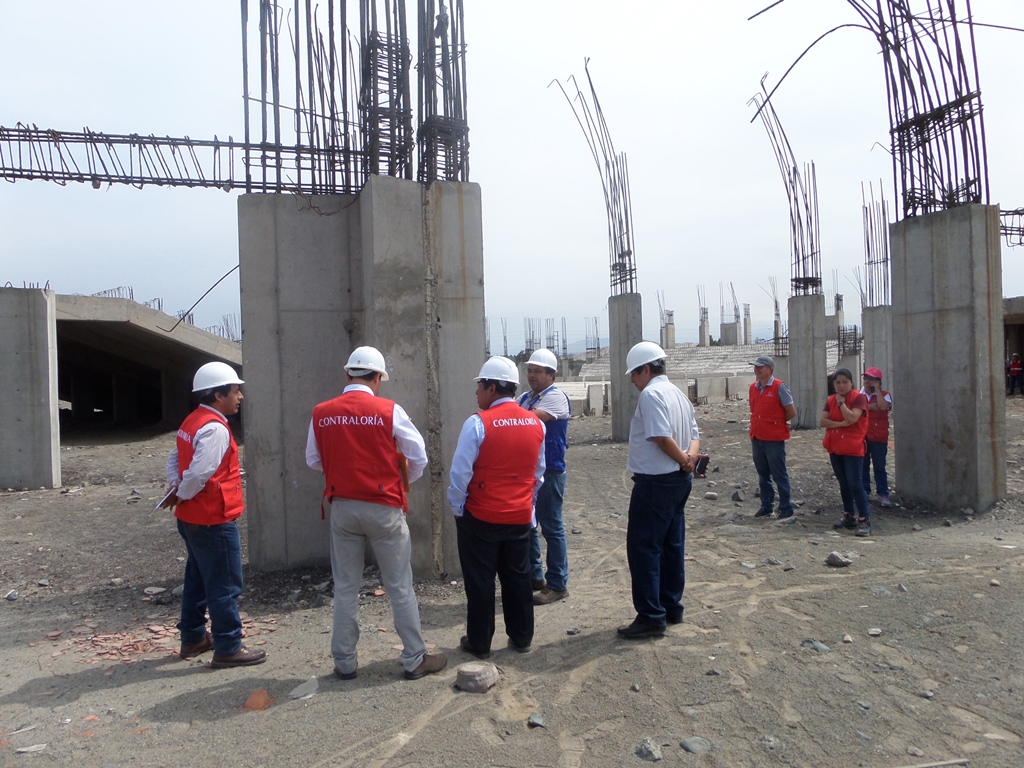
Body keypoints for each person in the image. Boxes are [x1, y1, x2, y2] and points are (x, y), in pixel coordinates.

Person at [305, 346, 447, 681]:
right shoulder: (388, 410)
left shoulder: (322, 412)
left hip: (342, 507)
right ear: (377, 378)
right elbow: (419, 457)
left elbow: (313, 459)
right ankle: (414, 658)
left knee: (345, 587)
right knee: (399, 585)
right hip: (384, 507)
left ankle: (344, 662)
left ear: (347, 374)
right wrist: (398, 482)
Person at [160, 361, 266, 668]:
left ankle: (193, 637)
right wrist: (183, 490)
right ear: (218, 395)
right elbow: (200, 472)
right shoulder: (216, 428)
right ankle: (228, 646)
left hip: (192, 517)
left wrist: (177, 490)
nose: (240, 397)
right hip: (213, 518)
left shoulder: (193, 421)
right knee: (224, 584)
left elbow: (175, 458)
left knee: (197, 579)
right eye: (235, 391)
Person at [448, 356, 545, 658]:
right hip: (519, 517)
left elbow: (460, 473)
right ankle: (522, 636)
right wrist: (527, 505)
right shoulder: (535, 423)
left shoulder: (478, 423)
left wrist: (458, 508)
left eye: (480, 386)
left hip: (481, 515)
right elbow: (538, 474)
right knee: (517, 577)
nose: (477, 392)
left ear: (491, 387)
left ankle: (480, 642)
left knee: (480, 581)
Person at [619, 342, 701, 639]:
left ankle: (651, 616)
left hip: (656, 481)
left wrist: (684, 462)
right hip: (677, 482)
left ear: (646, 369)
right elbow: (694, 434)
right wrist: (689, 459)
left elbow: (661, 438)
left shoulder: (652, 395)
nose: (632, 379)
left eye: (634, 373)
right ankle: (670, 607)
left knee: (644, 548)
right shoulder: (677, 393)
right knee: (671, 545)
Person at [518, 348, 572, 605]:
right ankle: (535, 577)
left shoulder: (556, 398)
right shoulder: (526, 397)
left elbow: (525, 421)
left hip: (550, 471)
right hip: (530, 471)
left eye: (538, 371)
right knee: (529, 526)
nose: (532, 375)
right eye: (530, 370)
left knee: (551, 527)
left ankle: (558, 583)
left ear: (551, 375)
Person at [820, 368, 871, 536]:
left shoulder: (859, 398)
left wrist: (842, 404)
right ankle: (849, 515)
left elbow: (852, 418)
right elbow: (823, 421)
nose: (841, 386)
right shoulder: (830, 400)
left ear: (851, 383)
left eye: (845, 382)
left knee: (855, 484)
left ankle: (864, 519)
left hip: (853, 448)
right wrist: (839, 424)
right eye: (837, 382)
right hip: (835, 447)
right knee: (844, 484)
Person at [748, 355, 797, 520]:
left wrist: (776, 424)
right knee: (763, 475)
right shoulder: (753, 388)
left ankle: (785, 507)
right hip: (757, 437)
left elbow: (790, 411)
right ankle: (766, 505)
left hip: (774, 439)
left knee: (779, 474)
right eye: (755, 367)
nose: (757, 370)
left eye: (760, 367)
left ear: (770, 369)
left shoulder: (779, 387)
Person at [860, 367, 893, 508]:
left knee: (879, 466)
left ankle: (883, 493)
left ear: (878, 382)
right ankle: (865, 491)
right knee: (863, 466)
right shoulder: (858, 395)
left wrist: (877, 391)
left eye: (871, 379)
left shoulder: (885, 394)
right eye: (866, 378)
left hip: (879, 436)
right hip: (863, 436)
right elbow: (861, 409)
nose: (867, 382)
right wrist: (871, 406)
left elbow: (883, 406)